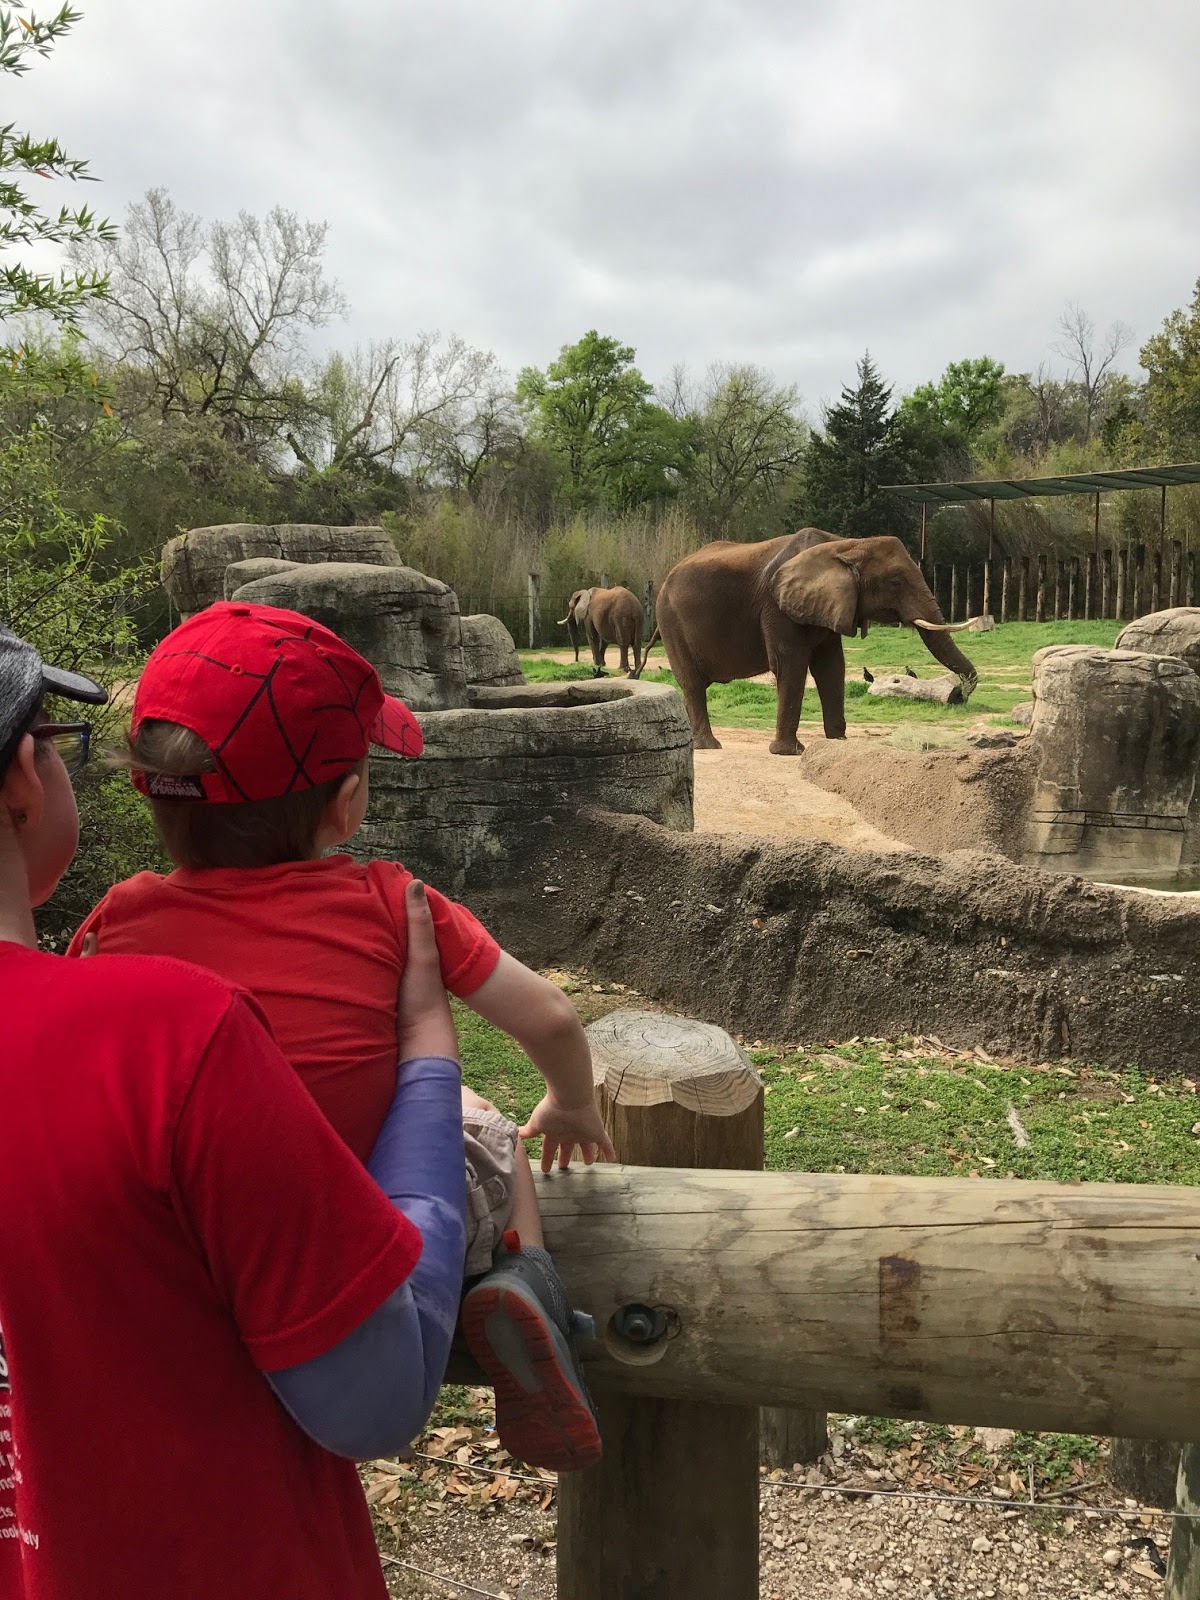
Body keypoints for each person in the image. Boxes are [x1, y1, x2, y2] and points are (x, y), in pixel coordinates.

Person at [72, 600, 612, 1471]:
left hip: (205, 1229)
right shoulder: (392, 903)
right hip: (374, 1217)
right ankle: (527, 1280)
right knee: (488, 1129)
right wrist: (572, 1101)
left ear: (149, 791)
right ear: (347, 803)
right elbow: (548, 1015)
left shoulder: (118, 919)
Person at [0, 622, 479, 1598]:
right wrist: (428, 1057)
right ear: (21, 779)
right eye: (58, 738)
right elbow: (374, 1395)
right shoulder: (165, 1037)